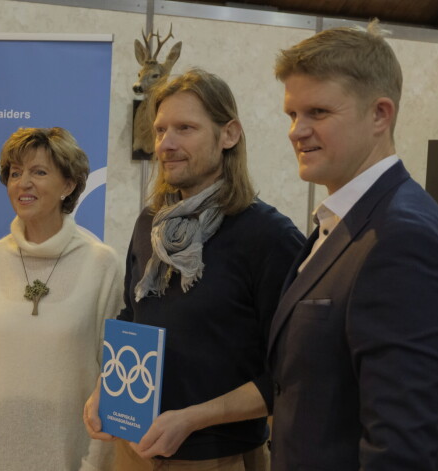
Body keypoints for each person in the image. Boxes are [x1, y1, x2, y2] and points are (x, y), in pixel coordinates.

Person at [84, 68, 305, 470]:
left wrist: (193, 418)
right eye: (160, 129)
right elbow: (133, 316)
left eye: (185, 128)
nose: (165, 144)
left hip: (218, 457)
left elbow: (290, 375)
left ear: (229, 135)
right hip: (133, 450)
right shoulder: (149, 224)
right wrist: (105, 387)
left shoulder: (270, 237)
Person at [268, 20, 438, 471]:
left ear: (380, 114)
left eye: (318, 113)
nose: (296, 131)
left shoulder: (400, 236)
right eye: (292, 114)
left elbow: (402, 444)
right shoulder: (342, 220)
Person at [0, 127, 123, 470]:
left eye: (39, 172)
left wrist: (95, 464)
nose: (23, 183)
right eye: (15, 173)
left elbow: (112, 379)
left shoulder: (102, 264)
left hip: (71, 461)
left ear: (68, 185)